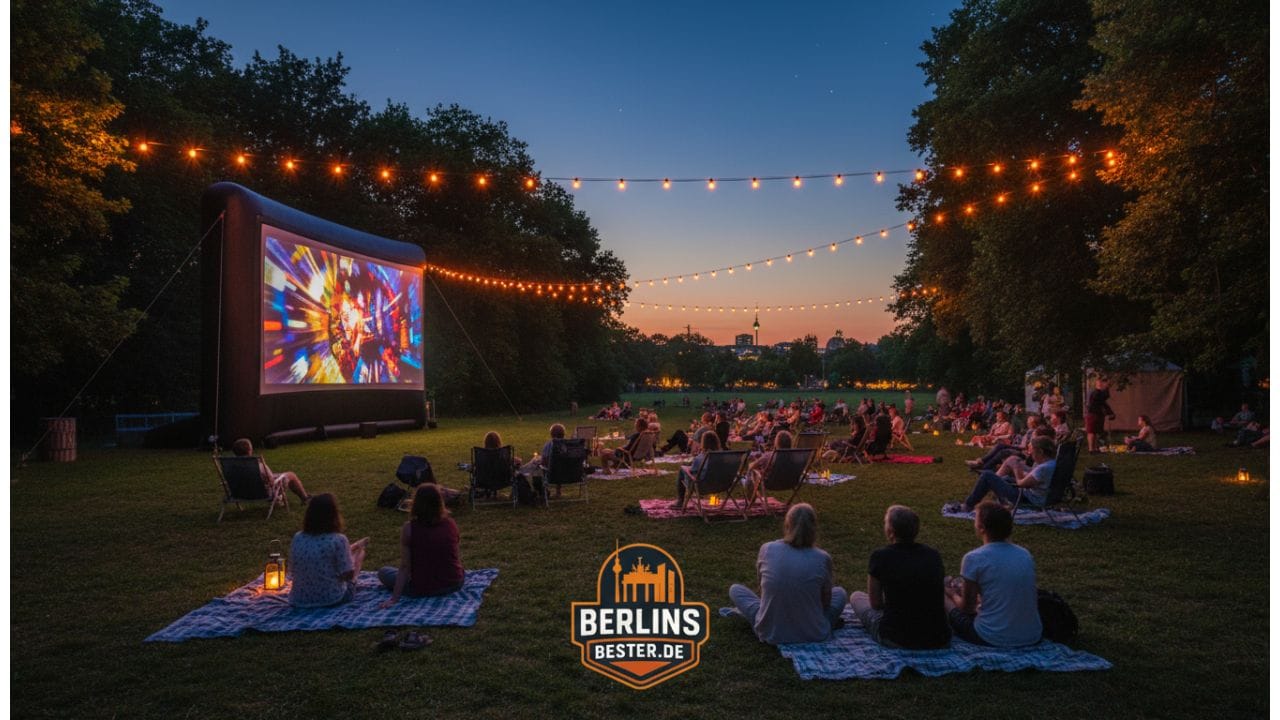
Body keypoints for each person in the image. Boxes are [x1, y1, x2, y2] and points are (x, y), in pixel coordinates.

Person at [728, 503, 848, 644]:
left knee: (735, 590)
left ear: (787, 525)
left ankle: (776, 618)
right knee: (840, 593)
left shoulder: (767, 549)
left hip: (770, 632)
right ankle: (817, 623)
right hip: (813, 633)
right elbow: (825, 603)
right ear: (814, 528)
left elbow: (762, 590)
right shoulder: (822, 557)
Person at [849, 506, 950, 649]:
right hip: (938, 637)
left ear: (891, 531)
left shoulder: (880, 556)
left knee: (856, 597)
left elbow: (875, 603)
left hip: (897, 637)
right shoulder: (933, 555)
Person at [945, 502, 1042, 647]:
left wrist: (952, 594)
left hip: (992, 637)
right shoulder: (1024, 554)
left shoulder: (974, 558)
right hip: (1032, 635)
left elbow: (966, 608)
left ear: (982, 528)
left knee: (943, 593)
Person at [379, 484, 465, 607]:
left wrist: (394, 599)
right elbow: (454, 554)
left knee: (383, 572)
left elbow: (405, 567)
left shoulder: (409, 529)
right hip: (454, 583)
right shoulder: (451, 524)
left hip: (424, 588)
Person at [289, 493, 367, 607]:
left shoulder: (298, 537)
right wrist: (356, 560)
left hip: (298, 599)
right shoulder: (338, 539)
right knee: (360, 554)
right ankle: (358, 548)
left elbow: (292, 569)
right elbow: (347, 575)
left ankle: (354, 546)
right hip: (332, 599)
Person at [952, 437, 1056, 513]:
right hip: (1039, 496)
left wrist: (1016, 467)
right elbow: (1035, 480)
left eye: (1033, 453)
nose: (1031, 456)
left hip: (1028, 499)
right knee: (1004, 478)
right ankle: (1001, 503)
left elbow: (1021, 483)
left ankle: (968, 505)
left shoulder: (1043, 468)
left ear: (1041, 452)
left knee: (987, 475)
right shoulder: (1052, 463)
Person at [230, 437, 310, 504]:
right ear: (249, 450)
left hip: (240, 494)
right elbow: (271, 481)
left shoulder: (232, 466)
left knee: (273, 477)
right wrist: (263, 464)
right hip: (263, 494)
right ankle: (304, 498)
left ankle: (280, 499)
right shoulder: (258, 465)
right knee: (290, 475)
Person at [675, 433, 721, 507]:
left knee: (682, 470)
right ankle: (714, 501)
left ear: (703, 443)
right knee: (714, 474)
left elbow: (693, 470)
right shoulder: (722, 456)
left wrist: (685, 468)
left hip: (702, 486)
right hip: (721, 485)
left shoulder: (701, 457)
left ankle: (680, 501)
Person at [1085, 378, 1115, 453]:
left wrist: (1110, 412)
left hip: (1098, 414)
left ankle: (1095, 448)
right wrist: (1107, 387)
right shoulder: (1095, 392)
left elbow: (1104, 400)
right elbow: (1102, 398)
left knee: (1095, 431)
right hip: (1092, 414)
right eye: (1101, 382)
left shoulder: (1099, 393)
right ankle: (1091, 449)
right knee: (1091, 431)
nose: (1103, 384)